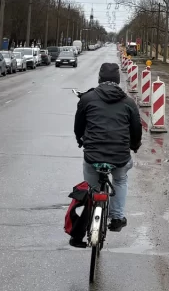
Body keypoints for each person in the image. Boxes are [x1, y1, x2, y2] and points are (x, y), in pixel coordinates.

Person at [74, 62, 141, 232]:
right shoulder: (128, 102)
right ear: (118, 80)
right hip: (120, 156)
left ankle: (91, 209)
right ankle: (117, 217)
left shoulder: (87, 99)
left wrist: (80, 140)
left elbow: (78, 126)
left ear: (99, 79)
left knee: (92, 185)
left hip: (93, 155)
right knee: (120, 179)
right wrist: (134, 146)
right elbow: (136, 129)